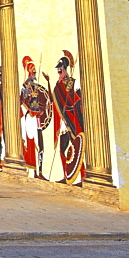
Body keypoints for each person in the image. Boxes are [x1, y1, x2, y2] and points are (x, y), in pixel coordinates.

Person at [51, 51, 84, 184]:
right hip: (63, 121)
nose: (59, 71)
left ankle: (83, 176)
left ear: (65, 68)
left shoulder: (73, 83)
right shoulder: (58, 85)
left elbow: (79, 99)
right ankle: (67, 176)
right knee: (63, 149)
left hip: (72, 119)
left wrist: (71, 102)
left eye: (61, 68)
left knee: (78, 148)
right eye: (58, 69)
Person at [20, 56, 53, 179]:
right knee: (31, 144)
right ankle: (32, 172)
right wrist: (30, 110)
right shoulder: (26, 87)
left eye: (34, 71)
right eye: (32, 71)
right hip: (30, 119)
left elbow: (45, 100)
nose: (34, 73)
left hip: (37, 120)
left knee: (40, 146)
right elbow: (23, 102)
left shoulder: (35, 87)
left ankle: (38, 172)